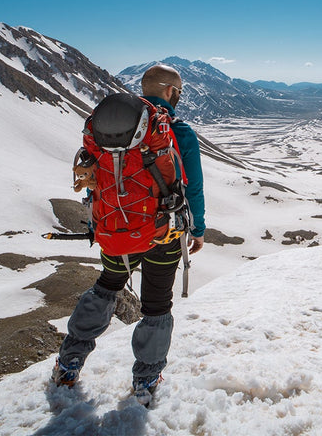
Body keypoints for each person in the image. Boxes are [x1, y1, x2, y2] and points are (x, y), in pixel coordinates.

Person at [51, 64, 206, 406]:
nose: (179, 97)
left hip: (115, 231)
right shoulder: (176, 131)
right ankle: (146, 378)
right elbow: (192, 186)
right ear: (169, 91)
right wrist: (198, 229)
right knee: (156, 303)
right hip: (162, 234)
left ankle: (69, 361)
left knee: (106, 286)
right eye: (178, 91)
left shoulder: (108, 128)